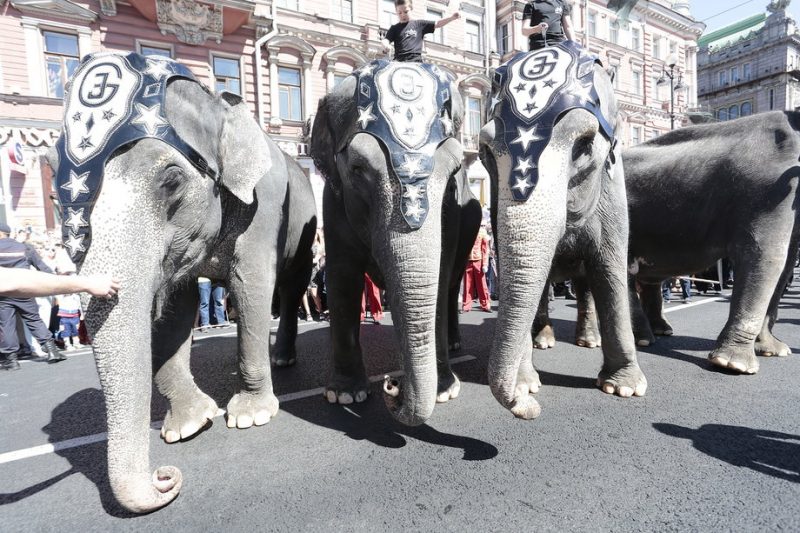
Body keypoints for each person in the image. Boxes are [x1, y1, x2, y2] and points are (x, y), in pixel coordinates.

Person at [0, 222, 65, 370]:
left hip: (3, 293)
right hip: (24, 289)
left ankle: (12, 361)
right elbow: (43, 268)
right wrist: (57, 283)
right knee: (33, 319)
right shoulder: (24, 248)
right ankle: (52, 351)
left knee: (6, 325)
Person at [384, 0, 460, 62]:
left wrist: (451, 18)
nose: (403, 15)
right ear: (396, 12)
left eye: (406, 12)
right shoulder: (394, 28)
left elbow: (437, 23)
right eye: (399, 13)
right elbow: (385, 40)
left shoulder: (419, 24)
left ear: (411, 9)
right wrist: (386, 45)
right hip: (399, 61)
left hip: (416, 60)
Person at [462, 223, 491, 313]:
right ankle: (466, 306)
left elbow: (485, 249)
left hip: (479, 261)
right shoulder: (465, 231)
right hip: (468, 261)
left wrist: (485, 264)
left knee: (482, 284)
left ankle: (485, 305)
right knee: (467, 285)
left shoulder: (482, 232)